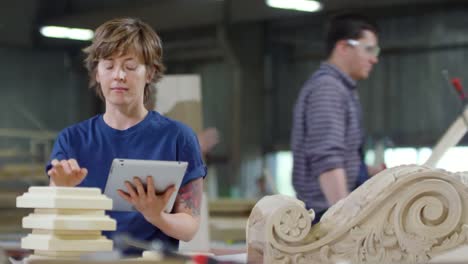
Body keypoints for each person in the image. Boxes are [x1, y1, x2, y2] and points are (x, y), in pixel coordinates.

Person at [46, 17, 207, 254]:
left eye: (130, 66)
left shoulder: (178, 138)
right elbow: (49, 218)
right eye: (109, 66)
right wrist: (60, 190)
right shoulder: (72, 140)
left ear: (150, 73)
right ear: (97, 73)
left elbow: (190, 226)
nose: (118, 75)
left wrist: (157, 216)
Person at [291, 13, 383, 224]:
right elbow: (327, 158)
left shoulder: (341, 89)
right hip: (326, 215)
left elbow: (338, 156)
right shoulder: (328, 89)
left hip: (329, 211)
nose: (374, 58)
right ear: (343, 47)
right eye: (369, 49)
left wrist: (368, 171)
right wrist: (345, 222)